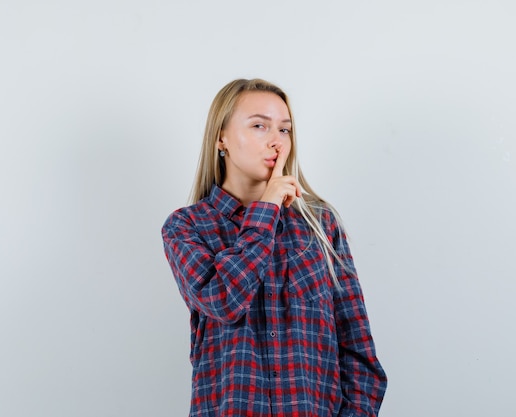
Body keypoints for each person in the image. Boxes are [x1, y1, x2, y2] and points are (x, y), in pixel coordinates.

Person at [161, 78, 387, 417]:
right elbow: (224, 301)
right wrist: (266, 210)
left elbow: (358, 353)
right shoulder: (186, 227)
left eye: (285, 130)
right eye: (258, 126)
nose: (276, 143)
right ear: (221, 138)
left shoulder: (320, 225)